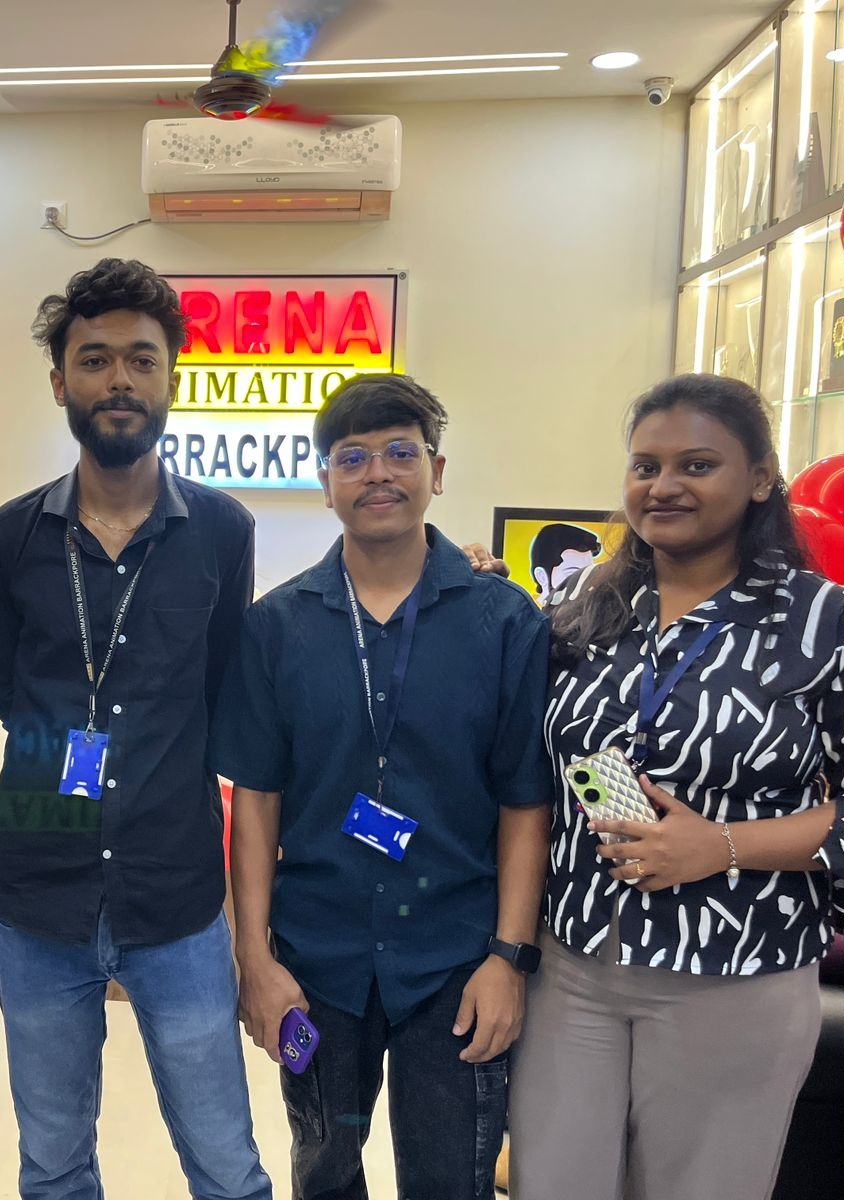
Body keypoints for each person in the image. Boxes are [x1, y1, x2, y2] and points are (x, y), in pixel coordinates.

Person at [508, 373, 844, 1200]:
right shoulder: (589, 616)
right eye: (645, 466)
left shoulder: (828, 625)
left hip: (737, 976)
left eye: (696, 465)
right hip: (574, 973)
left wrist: (721, 845)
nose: (663, 486)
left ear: (762, 478)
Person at [0, 258, 271, 1200]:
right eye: (94, 360)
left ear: (174, 375)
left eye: (142, 360)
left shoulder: (222, 529)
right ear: (60, 382)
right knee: (53, 1168)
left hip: (178, 899)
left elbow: (224, 691)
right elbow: (9, 693)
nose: (119, 381)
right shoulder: (6, 537)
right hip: (38, 899)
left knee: (227, 1167)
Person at [213, 373, 552, 1200]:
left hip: (457, 962)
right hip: (317, 959)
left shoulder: (504, 623)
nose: (378, 474)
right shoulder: (277, 626)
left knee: (450, 1178)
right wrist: (252, 958)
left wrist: (509, 958)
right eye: (352, 457)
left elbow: (525, 803)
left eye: (401, 452)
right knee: (323, 1169)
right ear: (325, 481)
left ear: (437, 471)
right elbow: (254, 803)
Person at [528, 522, 601, 597]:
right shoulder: (526, 607)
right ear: (542, 577)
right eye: (574, 574)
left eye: (590, 574)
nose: (587, 583)